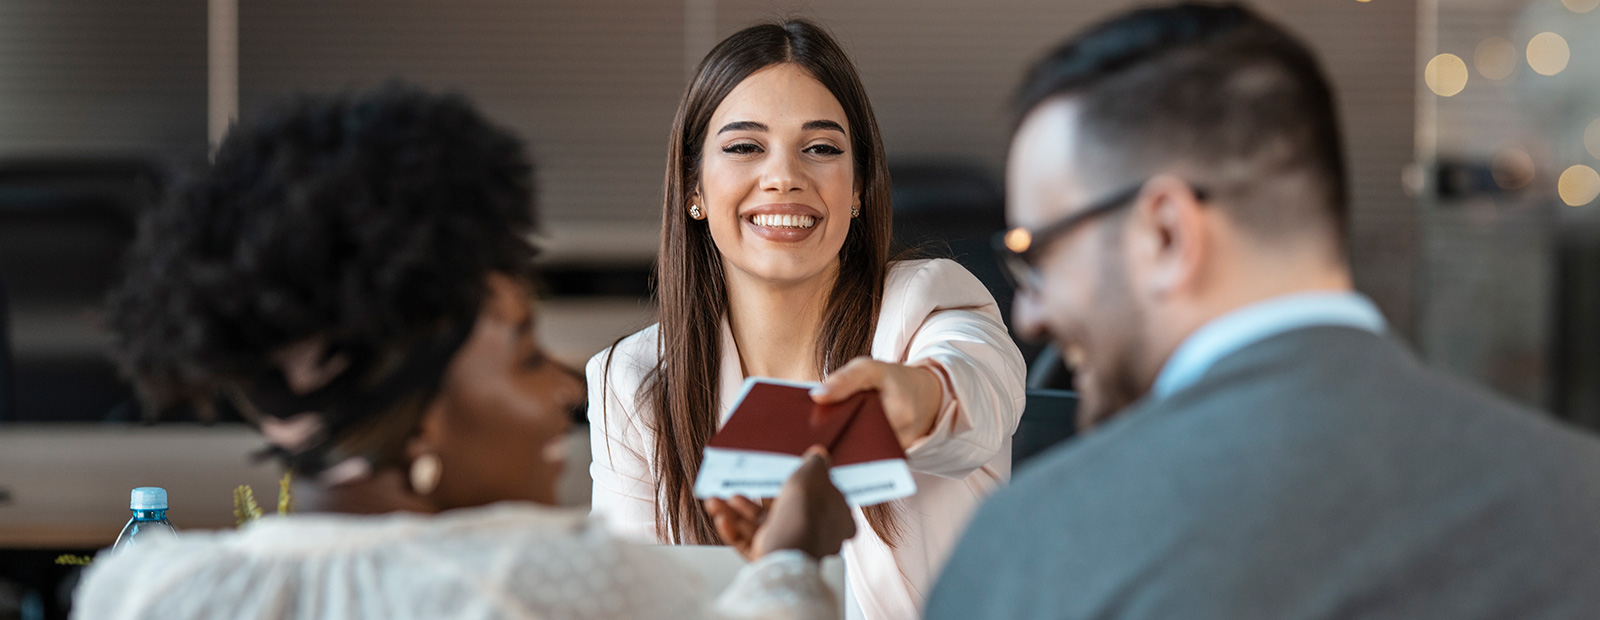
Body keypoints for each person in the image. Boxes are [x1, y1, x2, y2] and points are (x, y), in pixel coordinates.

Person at [74, 83, 857, 620]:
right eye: (523, 357)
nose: (562, 392)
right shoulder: (547, 585)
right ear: (420, 428)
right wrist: (789, 557)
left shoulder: (140, 589)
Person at [927, 3, 1600, 618]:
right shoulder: (1577, 495)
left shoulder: (1040, 545)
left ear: (1165, 234)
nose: (1030, 314)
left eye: (1036, 252)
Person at [586, 19, 1026, 620]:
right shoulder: (631, 378)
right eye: (745, 146)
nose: (785, 176)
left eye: (820, 148)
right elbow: (630, 605)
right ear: (694, 186)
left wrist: (916, 396)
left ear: (857, 188)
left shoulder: (927, 303)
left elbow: (982, 392)